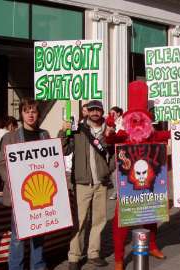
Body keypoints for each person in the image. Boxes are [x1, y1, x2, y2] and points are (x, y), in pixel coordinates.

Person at [105, 81, 169, 270]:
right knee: (121, 221)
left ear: (147, 122)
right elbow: (110, 139)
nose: (138, 123)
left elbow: (169, 134)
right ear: (128, 121)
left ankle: (152, 246)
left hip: (148, 185)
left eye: (142, 119)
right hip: (128, 187)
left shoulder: (152, 135)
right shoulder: (123, 135)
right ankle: (118, 258)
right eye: (134, 119)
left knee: (151, 216)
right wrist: (109, 129)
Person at [60, 100, 113, 270]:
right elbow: (65, 149)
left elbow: (114, 154)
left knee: (99, 220)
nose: (95, 112)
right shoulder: (77, 128)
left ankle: (93, 253)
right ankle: (74, 256)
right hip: (82, 182)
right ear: (87, 112)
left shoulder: (108, 130)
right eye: (92, 110)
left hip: (101, 182)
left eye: (98, 110)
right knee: (80, 221)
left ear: (102, 111)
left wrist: (107, 170)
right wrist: (63, 130)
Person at [0, 98, 50, 270]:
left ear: (38, 114)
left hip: (41, 195)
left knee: (39, 235)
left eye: (33, 111)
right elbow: (2, 165)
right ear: (21, 114)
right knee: (18, 237)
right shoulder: (10, 137)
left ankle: (38, 266)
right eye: (26, 111)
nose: (30, 114)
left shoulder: (44, 135)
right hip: (20, 196)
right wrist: (15, 182)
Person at [107, 106, 124, 200]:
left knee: (115, 171)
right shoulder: (111, 123)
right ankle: (117, 191)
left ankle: (118, 192)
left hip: (122, 149)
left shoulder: (123, 122)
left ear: (118, 113)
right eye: (110, 113)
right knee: (113, 171)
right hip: (113, 149)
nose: (111, 115)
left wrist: (113, 133)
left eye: (113, 113)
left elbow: (122, 134)